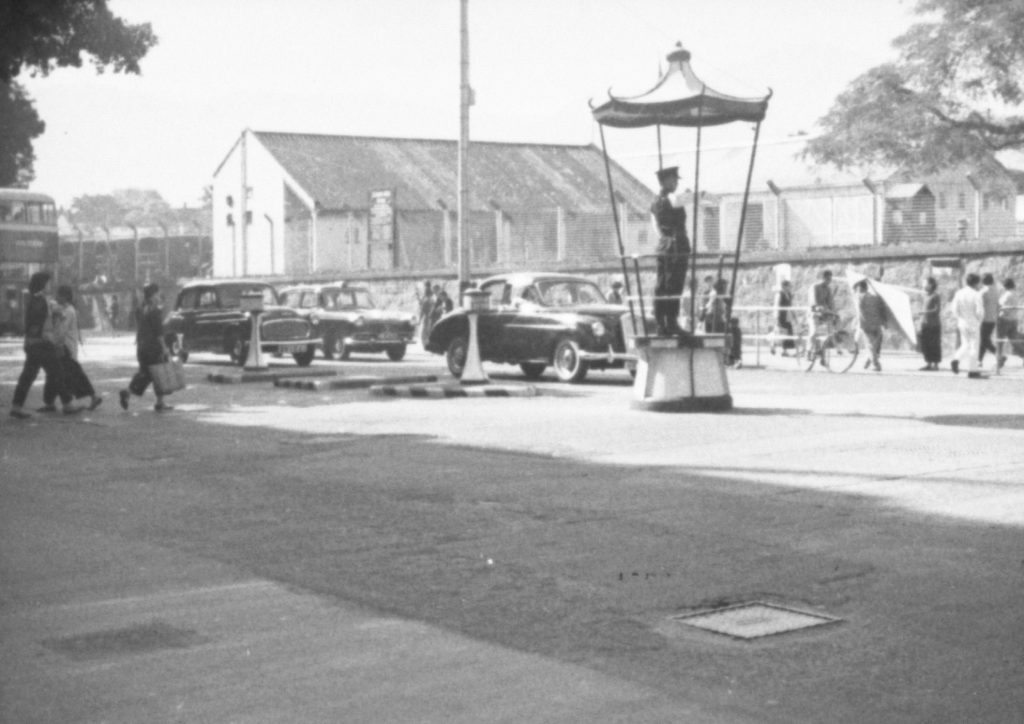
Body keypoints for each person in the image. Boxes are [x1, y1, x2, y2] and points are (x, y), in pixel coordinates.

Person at [9, 272, 82, 419]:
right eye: (49, 282)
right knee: (57, 372)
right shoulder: (39, 301)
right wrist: (46, 337)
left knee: (29, 375)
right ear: (43, 284)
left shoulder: (38, 299)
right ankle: (67, 405)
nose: (51, 285)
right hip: (41, 345)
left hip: (35, 345)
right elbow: (35, 324)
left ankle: (16, 406)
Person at [41, 285, 102, 411]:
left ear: (64, 297)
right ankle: (51, 402)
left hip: (65, 347)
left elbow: (61, 332)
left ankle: (91, 397)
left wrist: (52, 341)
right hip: (64, 347)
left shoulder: (68, 311)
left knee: (70, 374)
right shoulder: (64, 309)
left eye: (58, 295)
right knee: (59, 374)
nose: (56, 297)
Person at [119, 282, 174, 411]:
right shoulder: (154, 311)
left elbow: (143, 328)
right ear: (154, 295)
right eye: (158, 293)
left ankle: (158, 401)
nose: (160, 296)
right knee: (157, 374)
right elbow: (158, 332)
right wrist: (165, 348)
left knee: (147, 373)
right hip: (153, 348)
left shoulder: (141, 309)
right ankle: (156, 401)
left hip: (142, 346)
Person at [650, 166, 690, 336]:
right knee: (669, 286)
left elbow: (656, 228)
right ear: (665, 181)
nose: (675, 183)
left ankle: (667, 323)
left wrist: (664, 238)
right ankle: (665, 323)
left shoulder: (656, 202)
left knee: (671, 286)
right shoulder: (669, 199)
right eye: (673, 180)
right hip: (675, 246)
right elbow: (677, 201)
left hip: (667, 246)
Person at [951, 273, 985, 378]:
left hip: (962, 322)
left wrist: (959, 318)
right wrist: (979, 320)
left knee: (964, 344)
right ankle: (972, 370)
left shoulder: (959, 293)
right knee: (974, 346)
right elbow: (980, 311)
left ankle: (956, 358)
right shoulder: (976, 294)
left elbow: (954, 309)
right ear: (976, 282)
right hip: (973, 322)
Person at [854, 280, 886, 372]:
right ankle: (868, 361)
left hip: (866, 324)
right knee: (874, 345)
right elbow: (882, 309)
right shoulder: (875, 297)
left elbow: (860, 311)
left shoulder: (859, 297)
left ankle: (876, 364)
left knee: (870, 345)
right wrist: (884, 321)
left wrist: (859, 324)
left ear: (859, 288)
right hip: (877, 323)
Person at [807, 269, 835, 358]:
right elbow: (813, 300)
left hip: (824, 313)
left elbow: (830, 302)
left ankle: (822, 351)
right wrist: (817, 306)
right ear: (823, 278)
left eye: (830, 279)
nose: (829, 281)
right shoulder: (814, 287)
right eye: (827, 279)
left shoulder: (828, 289)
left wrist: (832, 311)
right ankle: (808, 351)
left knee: (831, 332)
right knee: (814, 332)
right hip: (814, 313)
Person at [918, 277, 942, 371]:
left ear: (931, 285)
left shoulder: (935, 296)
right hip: (925, 324)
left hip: (934, 324)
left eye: (925, 283)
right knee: (926, 344)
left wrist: (924, 312)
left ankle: (935, 364)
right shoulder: (925, 296)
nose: (923, 285)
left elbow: (937, 310)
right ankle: (928, 363)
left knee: (934, 344)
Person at [996, 278, 1018, 369]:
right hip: (1014, 319)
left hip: (1005, 320)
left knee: (1000, 341)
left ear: (1005, 286)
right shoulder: (1015, 294)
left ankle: (1000, 359)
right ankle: (1002, 358)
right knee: (1014, 340)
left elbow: (1001, 305)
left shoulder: (1007, 295)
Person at [978, 273, 999, 367]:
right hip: (993, 319)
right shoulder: (996, 290)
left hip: (984, 319)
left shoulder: (983, 292)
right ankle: (979, 360)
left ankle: (998, 354)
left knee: (983, 340)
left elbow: (979, 306)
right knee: (984, 339)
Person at [772, 279, 795, 355]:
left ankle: (778, 347)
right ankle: (778, 347)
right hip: (781, 316)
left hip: (787, 316)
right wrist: (777, 317)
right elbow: (777, 306)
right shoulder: (779, 294)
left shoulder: (788, 294)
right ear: (784, 286)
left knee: (786, 332)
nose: (790, 287)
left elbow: (790, 305)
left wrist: (794, 316)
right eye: (789, 286)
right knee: (782, 332)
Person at [417, 280, 435, 347]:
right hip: (431, 316)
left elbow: (422, 310)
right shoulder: (432, 296)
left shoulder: (426, 295)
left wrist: (419, 319)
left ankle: (426, 345)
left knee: (425, 332)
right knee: (429, 331)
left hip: (427, 316)